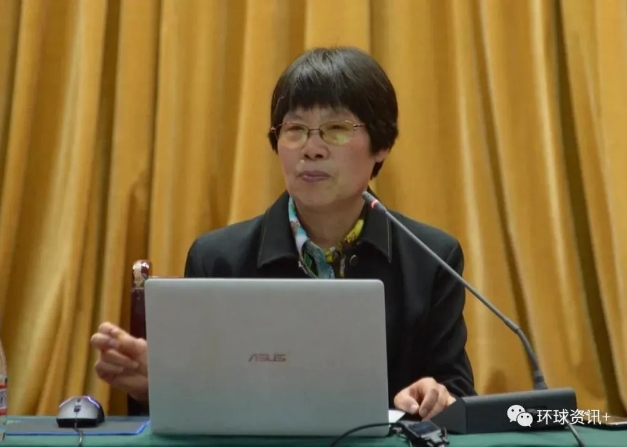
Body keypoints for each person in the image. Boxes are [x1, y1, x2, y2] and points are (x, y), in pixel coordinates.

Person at [90, 46, 477, 421]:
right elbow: (197, 409)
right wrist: (158, 388)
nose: (312, 148)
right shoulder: (218, 259)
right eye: (295, 129)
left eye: (336, 129)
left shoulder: (431, 258)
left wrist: (436, 397)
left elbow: (457, 397)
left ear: (382, 145)